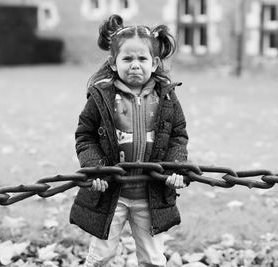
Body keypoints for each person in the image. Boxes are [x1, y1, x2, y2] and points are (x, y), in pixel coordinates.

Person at [69, 14, 189, 267]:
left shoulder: (166, 98)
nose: (135, 65)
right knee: (101, 255)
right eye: (127, 59)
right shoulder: (101, 97)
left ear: (154, 63)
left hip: (151, 193)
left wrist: (175, 166)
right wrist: (95, 168)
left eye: (142, 59)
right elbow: (85, 135)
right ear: (113, 63)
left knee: (154, 259)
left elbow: (178, 134)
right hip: (111, 193)